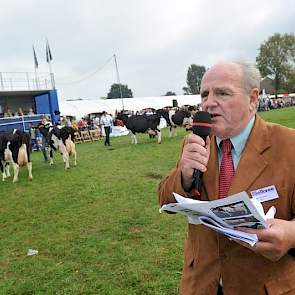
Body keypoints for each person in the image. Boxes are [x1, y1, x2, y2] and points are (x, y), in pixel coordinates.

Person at [158, 61, 295, 295]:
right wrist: (184, 176)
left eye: (222, 93)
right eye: (204, 94)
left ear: (253, 99)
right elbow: (164, 200)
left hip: (263, 286)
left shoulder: (289, 145)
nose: (209, 102)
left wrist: (292, 235)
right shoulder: (195, 143)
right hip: (202, 283)